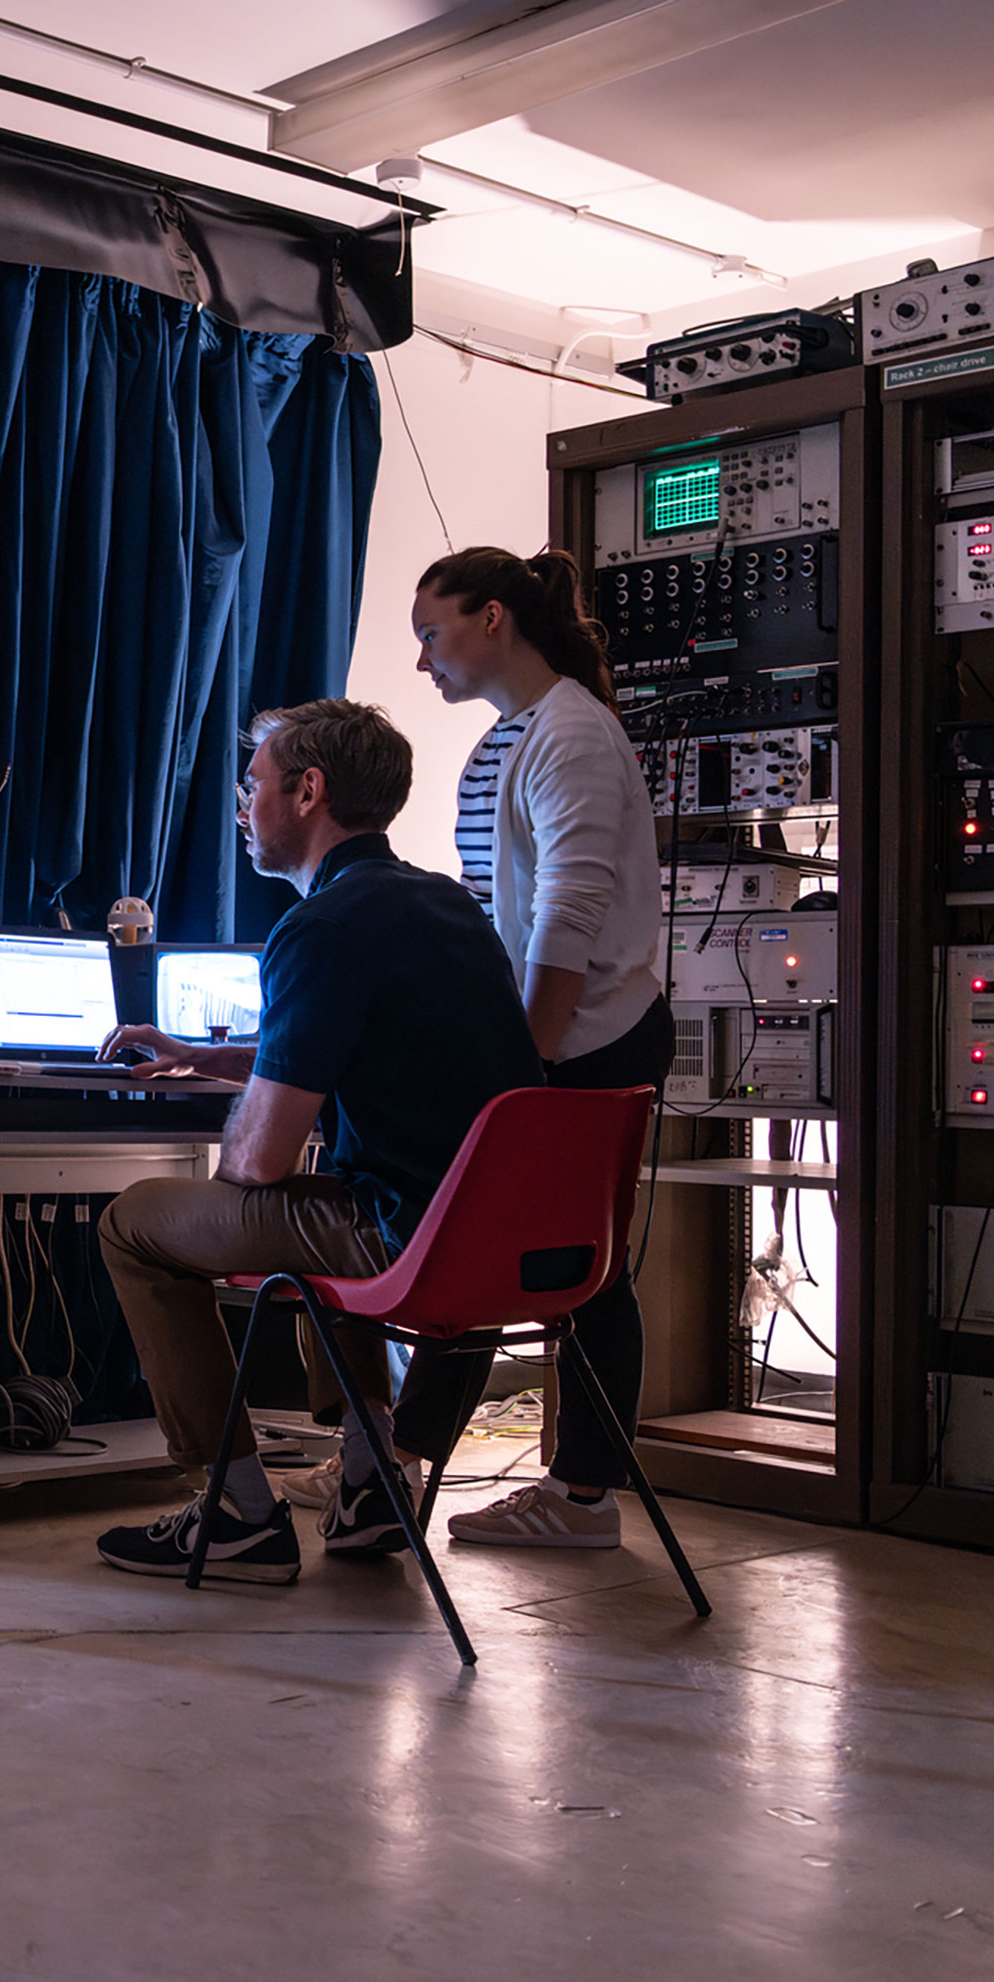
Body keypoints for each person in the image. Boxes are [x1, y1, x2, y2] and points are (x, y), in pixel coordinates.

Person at [91, 700, 541, 1583]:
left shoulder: (321, 926)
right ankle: (375, 1482)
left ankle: (236, 1512)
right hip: (491, 1239)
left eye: (253, 783)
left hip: (401, 1237)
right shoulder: (446, 904)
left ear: (308, 790)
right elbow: (368, 1045)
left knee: (136, 1223)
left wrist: (251, 1108)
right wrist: (201, 1056)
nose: (241, 802)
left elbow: (254, 1165)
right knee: (329, 1191)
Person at [387, 545, 671, 1549]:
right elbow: (495, 913)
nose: (425, 658)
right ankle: (396, 1462)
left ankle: (580, 1495)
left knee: (575, 1268)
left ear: (494, 617)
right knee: (504, 1253)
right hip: (541, 1033)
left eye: (433, 631)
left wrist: (525, 1065)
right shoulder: (511, 738)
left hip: (587, 1037)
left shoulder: (573, 738)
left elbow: (567, 917)